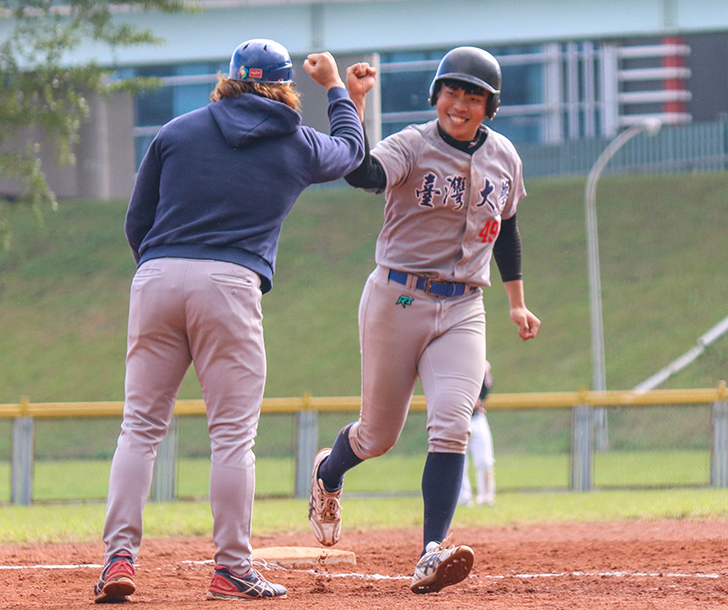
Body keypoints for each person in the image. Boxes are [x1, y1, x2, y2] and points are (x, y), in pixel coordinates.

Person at [95, 39, 364, 603]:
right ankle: (232, 569)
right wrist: (340, 89)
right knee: (232, 439)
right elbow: (351, 152)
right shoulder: (295, 142)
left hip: (158, 275)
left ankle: (118, 558)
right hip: (230, 283)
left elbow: (136, 218)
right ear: (283, 87)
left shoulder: (178, 130)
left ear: (230, 79)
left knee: (140, 428)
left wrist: (161, 267)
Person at [308, 46, 540, 595]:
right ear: (436, 95)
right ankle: (328, 473)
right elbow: (361, 174)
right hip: (397, 299)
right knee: (378, 435)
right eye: (451, 92)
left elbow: (505, 227)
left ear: (491, 106)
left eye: (473, 96)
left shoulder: (505, 156)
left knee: (453, 425)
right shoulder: (412, 144)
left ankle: (430, 552)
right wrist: (349, 98)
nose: (459, 104)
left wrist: (516, 300)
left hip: (464, 306)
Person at [458, 361, 496, 507]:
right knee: (458, 461)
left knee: (485, 461)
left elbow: (487, 385)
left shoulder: (482, 363)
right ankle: (463, 499)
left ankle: (486, 498)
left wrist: (479, 400)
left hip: (477, 418)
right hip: (457, 418)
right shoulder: (451, 359)